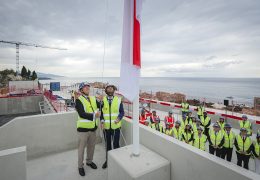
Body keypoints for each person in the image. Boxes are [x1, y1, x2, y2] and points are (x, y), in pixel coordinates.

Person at [75, 82, 101, 176]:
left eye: (88, 87)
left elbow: (99, 105)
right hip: (83, 130)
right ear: (81, 90)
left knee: (91, 147)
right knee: (81, 149)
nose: (87, 88)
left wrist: (101, 101)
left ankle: (89, 162)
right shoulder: (78, 100)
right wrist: (95, 115)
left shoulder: (93, 98)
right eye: (85, 87)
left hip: (93, 128)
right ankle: (80, 166)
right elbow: (81, 114)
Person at [101, 84, 124, 169]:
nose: (110, 89)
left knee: (116, 144)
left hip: (116, 127)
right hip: (106, 128)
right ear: (106, 91)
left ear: (114, 90)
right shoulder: (102, 100)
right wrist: (102, 121)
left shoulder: (118, 100)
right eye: (108, 88)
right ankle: (108, 161)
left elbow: (122, 112)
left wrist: (119, 118)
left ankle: (117, 161)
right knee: (108, 145)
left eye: (112, 88)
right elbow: (101, 113)